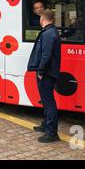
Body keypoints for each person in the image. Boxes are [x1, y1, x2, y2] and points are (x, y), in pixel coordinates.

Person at [27, 9, 61, 143]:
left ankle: (52, 133)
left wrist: (40, 72)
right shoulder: (51, 32)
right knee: (46, 101)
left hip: (46, 73)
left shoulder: (48, 34)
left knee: (48, 102)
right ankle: (46, 125)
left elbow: (46, 55)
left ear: (42, 19)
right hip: (49, 72)